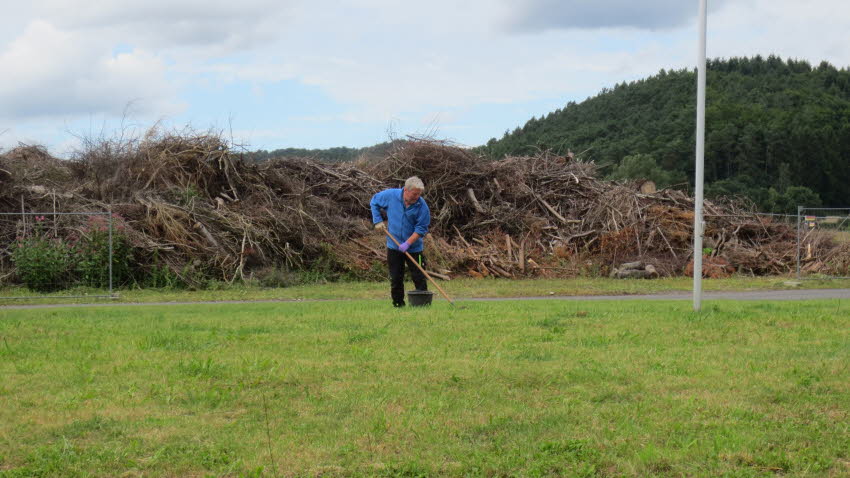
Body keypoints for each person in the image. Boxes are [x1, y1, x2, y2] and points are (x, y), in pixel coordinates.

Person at [370, 176, 431, 307]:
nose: (417, 197)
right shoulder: (391, 195)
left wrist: (408, 243)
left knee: (419, 275)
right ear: (406, 191)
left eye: (419, 194)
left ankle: (422, 305)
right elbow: (374, 201)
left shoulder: (422, 205)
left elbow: (421, 228)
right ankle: (398, 304)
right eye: (415, 194)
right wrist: (378, 220)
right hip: (394, 247)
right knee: (396, 277)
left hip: (415, 248)